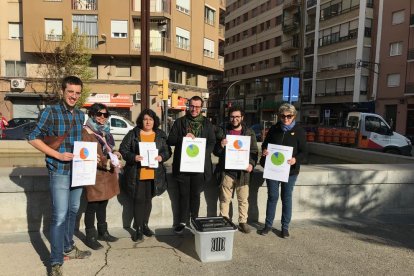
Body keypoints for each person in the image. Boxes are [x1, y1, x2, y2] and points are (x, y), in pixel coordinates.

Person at [27, 76, 91, 276]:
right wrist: (57, 155)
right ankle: (55, 262)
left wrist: (90, 157)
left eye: (77, 93)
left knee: (73, 210)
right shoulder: (50, 112)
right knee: (60, 216)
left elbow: (80, 143)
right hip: (60, 171)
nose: (74, 96)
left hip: (78, 172)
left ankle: (68, 247)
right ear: (63, 91)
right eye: (70, 91)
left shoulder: (80, 116)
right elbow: (32, 138)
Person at [119, 109, 171, 242]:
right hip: (137, 173)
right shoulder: (133, 134)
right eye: (145, 119)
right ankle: (138, 229)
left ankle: (145, 225)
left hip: (154, 174)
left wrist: (161, 156)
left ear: (155, 121)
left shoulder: (160, 135)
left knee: (148, 199)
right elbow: (123, 150)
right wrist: (134, 157)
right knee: (139, 200)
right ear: (141, 121)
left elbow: (167, 151)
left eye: (151, 119)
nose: (148, 122)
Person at [167, 96, 216, 234]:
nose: (194, 109)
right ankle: (182, 221)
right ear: (188, 106)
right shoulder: (180, 122)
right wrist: (183, 138)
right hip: (183, 165)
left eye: (197, 107)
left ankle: (194, 219)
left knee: (195, 194)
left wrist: (203, 154)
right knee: (183, 194)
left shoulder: (207, 123)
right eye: (192, 106)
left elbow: (212, 142)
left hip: (199, 165)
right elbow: (170, 140)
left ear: (202, 108)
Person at [258, 103, 307, 238]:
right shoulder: (274, 129)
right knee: (272, 197)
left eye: (289, 116)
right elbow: (264, 145)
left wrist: (295, 159)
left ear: (294, 116)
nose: (286, 119)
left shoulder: (299, 131)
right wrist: (265, 151)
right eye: (283, 116)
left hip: (290, 171)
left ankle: (285, 227)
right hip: (273, 170)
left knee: (286, 198)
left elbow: (304, 152)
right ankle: (268, 225)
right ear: (279, 116)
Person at [82, 103, 121, 250]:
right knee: (92, 205)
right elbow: (89, 154)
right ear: (92, 114)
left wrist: (116, 154)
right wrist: (106, 161)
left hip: (107, 172)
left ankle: (103, 232)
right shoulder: (86, 132)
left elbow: (109, 148)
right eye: (99, 114)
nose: (102, 117)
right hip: (95, 173)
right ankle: (90, 236)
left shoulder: (106, 131)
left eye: (105, 115)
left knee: (103, 203)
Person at [213, 106, 258, 233]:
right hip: (227, 172)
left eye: (237, 116)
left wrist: (251, 164)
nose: (235, 119)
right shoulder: (223, 131)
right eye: (232, 116)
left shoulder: (249, 132)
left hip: (243, 173)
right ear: (229, 117)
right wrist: (220, 145)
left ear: (242, 118)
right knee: (224, 199)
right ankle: (224, 220)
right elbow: (216, 152)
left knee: (243, 200)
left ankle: (243, 222)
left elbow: (254, 151)